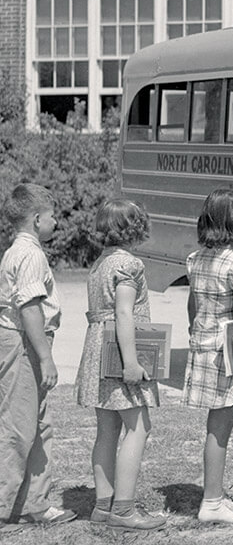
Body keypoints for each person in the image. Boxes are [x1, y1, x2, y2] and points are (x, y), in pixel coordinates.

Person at [75, 199, 165, 531]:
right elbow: (124, 313)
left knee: (107, 430)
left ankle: (103, 505)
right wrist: (130, 362)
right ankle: (124, 509)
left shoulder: (100, 263)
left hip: (98, 346)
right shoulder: (130, 265)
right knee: (139, 426)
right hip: (120, 349)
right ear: (136, 227)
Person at [0, 184, 76, 526]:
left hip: (26, 342)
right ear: (35, 219)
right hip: (24, 342)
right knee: (18, 427)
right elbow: (30, 307)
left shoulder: (17, 250)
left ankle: (33, 503)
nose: (56, 223)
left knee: (37, 424)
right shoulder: (31, 254)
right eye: (51, 216)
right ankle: (4, 506)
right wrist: (44, 357)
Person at [184, 188, 233, 524]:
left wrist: (195, 330)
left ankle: (215, 494)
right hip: (226, 349)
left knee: (221, 421)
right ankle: (211, 500)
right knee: (220, 424)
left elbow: (192, 305)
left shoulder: (195, 258)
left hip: (203, 341)